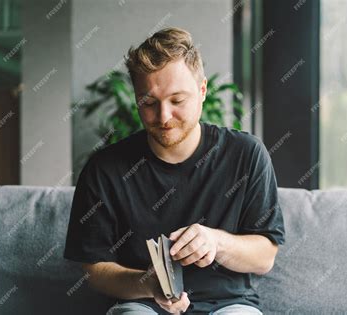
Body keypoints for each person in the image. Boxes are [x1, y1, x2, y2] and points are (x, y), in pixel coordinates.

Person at [63, 27, 285, 315]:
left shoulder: (247, 154)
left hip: (229, 306)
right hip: (141, 305)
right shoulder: (104, 169)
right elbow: (92, 269)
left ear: (202, 91)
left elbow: (265, 257)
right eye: (149, 103)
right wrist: (147, 284)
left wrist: (217, 242)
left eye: (177, 101)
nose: (164, 117)